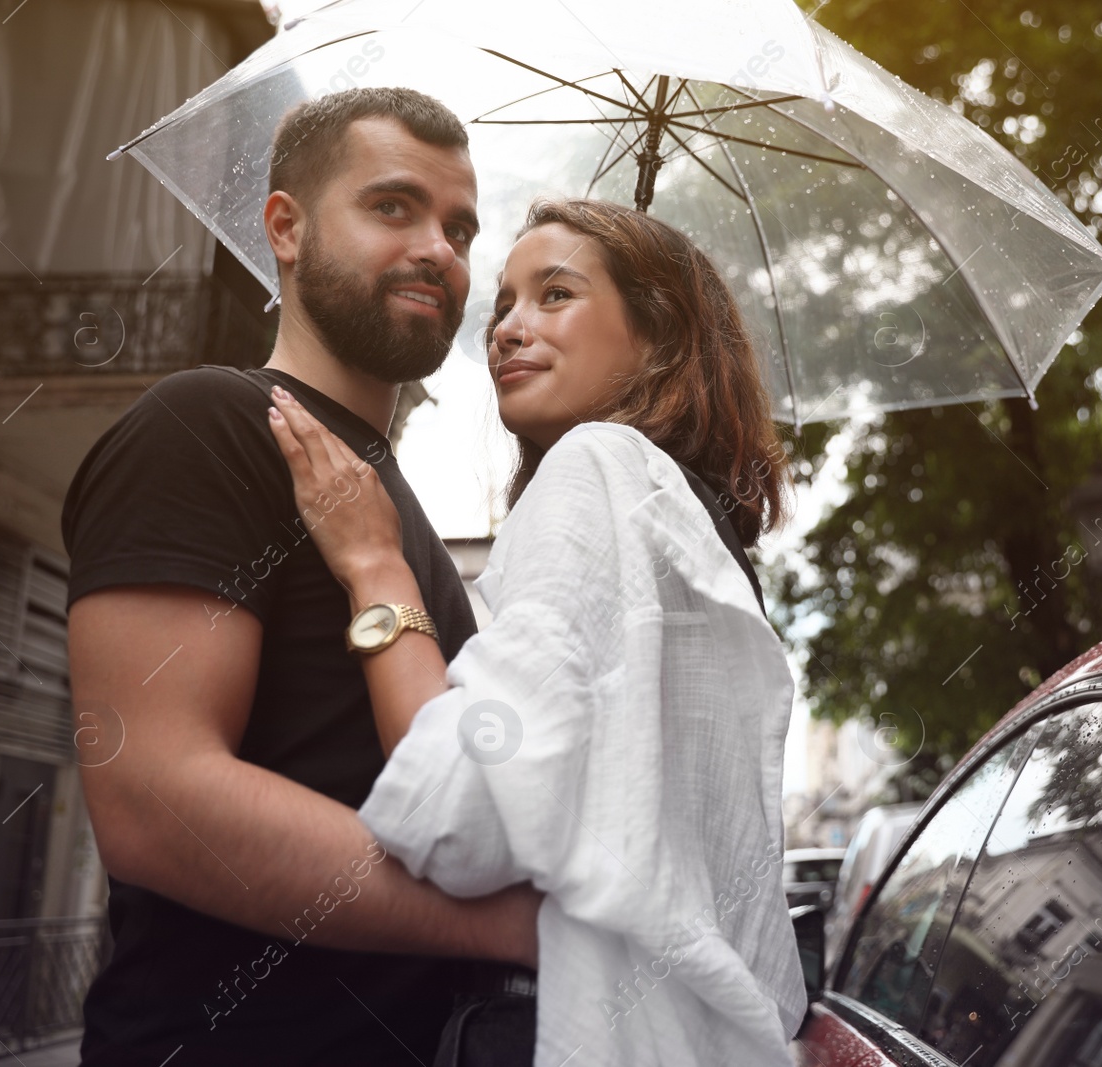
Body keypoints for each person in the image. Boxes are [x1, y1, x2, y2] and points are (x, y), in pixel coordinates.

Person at [264, 197, 807, 1067]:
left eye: (556, 295)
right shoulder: (691, 526)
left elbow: (466, 814)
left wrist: (376, 568)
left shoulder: (598, 467)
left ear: (661, 338)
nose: (510, 329)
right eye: (504, 305)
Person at [61, 88, 538, 1066]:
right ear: (286, 225)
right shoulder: (207, 425)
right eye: (392, 207)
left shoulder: (396, 513)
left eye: (459, 227)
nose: (439, 250)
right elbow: (153, 799)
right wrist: (496, 922)